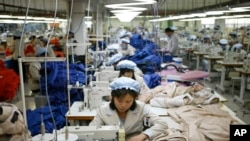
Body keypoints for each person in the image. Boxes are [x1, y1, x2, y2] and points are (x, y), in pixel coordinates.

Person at [89, 77, 168, 140]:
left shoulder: (141, 108)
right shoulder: (103, 110)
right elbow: (91, 131)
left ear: (134, 99)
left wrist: (144, 135)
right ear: (112, 98)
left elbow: (162, 124)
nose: (123, 105)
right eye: (119, 101)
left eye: (128, 101)